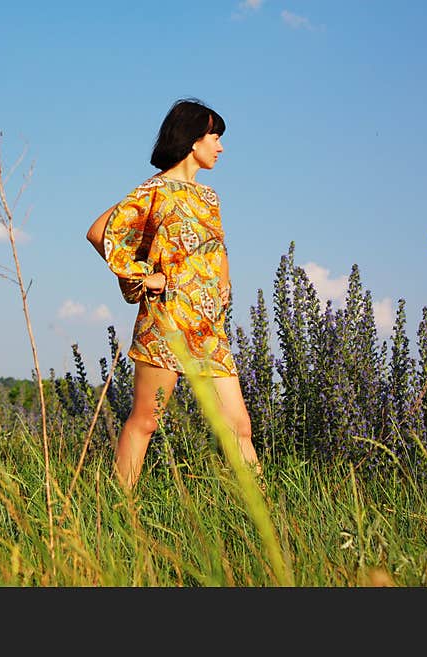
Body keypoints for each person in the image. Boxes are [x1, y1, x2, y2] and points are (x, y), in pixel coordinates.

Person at [86, 97, 261, 490]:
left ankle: (264, 519)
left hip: (208, 328)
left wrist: (223, 293)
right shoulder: (155, 191)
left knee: (239, 426)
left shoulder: (210, 198)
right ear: (192, 140)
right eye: (214, 136)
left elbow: (218, 252)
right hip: (166, 321)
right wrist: (143, 278)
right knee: (147, 421)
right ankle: (121, 510)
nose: (220, 146)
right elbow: (101, 233)